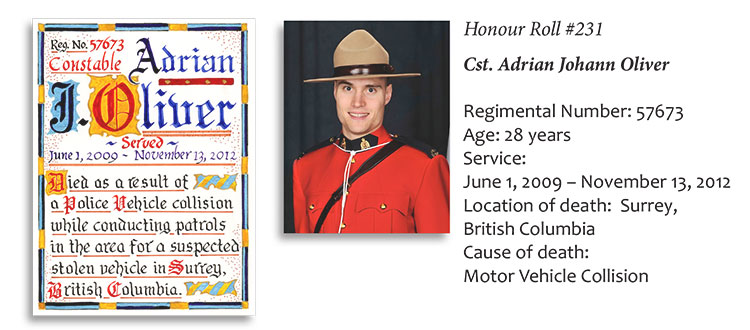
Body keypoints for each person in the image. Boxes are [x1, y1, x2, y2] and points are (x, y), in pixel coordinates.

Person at [293, 29, 449, 233]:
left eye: (371, 89)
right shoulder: (305, 168)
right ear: (335, 93)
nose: (358, 102)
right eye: (348, 88)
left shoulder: (424, 167)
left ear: (387, 94)